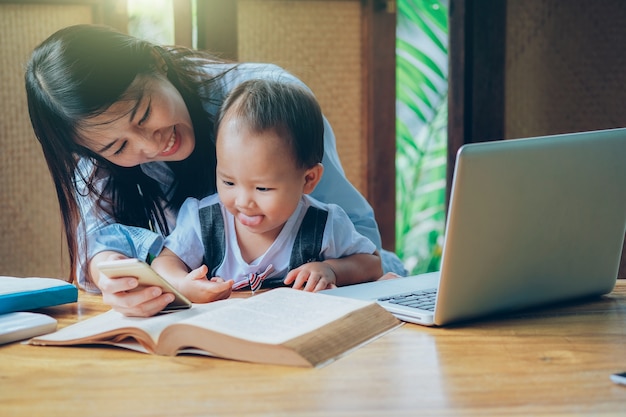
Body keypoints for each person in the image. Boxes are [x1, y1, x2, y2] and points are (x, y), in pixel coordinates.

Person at [25, 24, 406, 317]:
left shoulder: (270, 105)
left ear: (156, 64)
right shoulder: (106, 158)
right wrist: (116, 275)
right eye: (118, 147)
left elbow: (358, 238)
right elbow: (99, 241)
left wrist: (332, 270)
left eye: (143, 115)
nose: (148, 146)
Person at [151, 79, 382, 300]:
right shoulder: (203, 220)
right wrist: (182, 283)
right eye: (229, 182)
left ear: (308, 179)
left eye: (262, 188)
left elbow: (372, 264)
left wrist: (331, 269)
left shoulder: (324, 223)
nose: (243, 201)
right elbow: (164, 261)